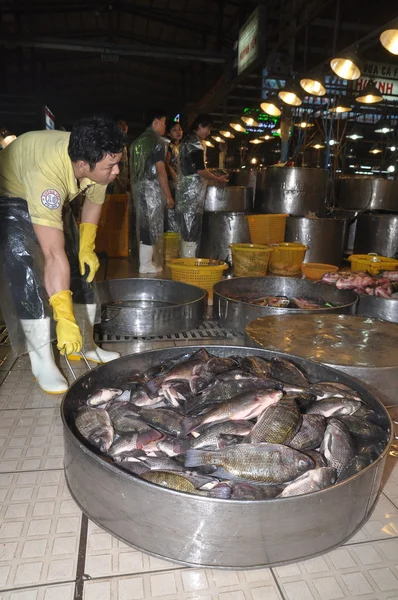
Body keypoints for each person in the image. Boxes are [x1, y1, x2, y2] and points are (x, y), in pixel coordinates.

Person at [0, 115, 126, 394]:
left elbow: (94, 200)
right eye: (110, 166)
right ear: (83, 165)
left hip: (48, 185)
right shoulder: (48, 177)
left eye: (118, 162)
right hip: (12, 194)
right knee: (29, 273)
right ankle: (42, 361)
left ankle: (85, 344)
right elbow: (52, 254)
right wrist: (64, 319)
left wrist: (86, 246)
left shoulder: (97, 157)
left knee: (80, 265)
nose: (116, 171)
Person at [175, 114, 228, 258]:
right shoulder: (195, 144)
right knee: (191, 227)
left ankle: (186, 259)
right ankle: (189, 262)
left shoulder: (187, 140)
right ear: (200, 127)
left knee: (186, 227)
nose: (209, 133)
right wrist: (218, 178)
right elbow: (201, 170)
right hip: (191, 192)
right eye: (208, 129)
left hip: (185, 190)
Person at [130, 108, 174, 273]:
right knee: (150, 226)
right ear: (155, 122)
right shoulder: (158, 141)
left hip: (138, 189)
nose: (165, 126)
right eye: (164, 122)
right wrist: (169, 196)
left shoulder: (137, 142)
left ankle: (145, 262)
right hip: (151, 190)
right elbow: (161, 171)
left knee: (144, 226)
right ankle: (146, 264)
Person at [164, 120, 183, 232]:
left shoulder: (180, 146)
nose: (178, 132)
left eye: (180, 129)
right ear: (169, 133)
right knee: (172, 210)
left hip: (180, 182)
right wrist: (175, 176)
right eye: (174, 130)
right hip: (171, 183)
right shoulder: (168, 146)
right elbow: (165, 163)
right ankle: (171, 232)